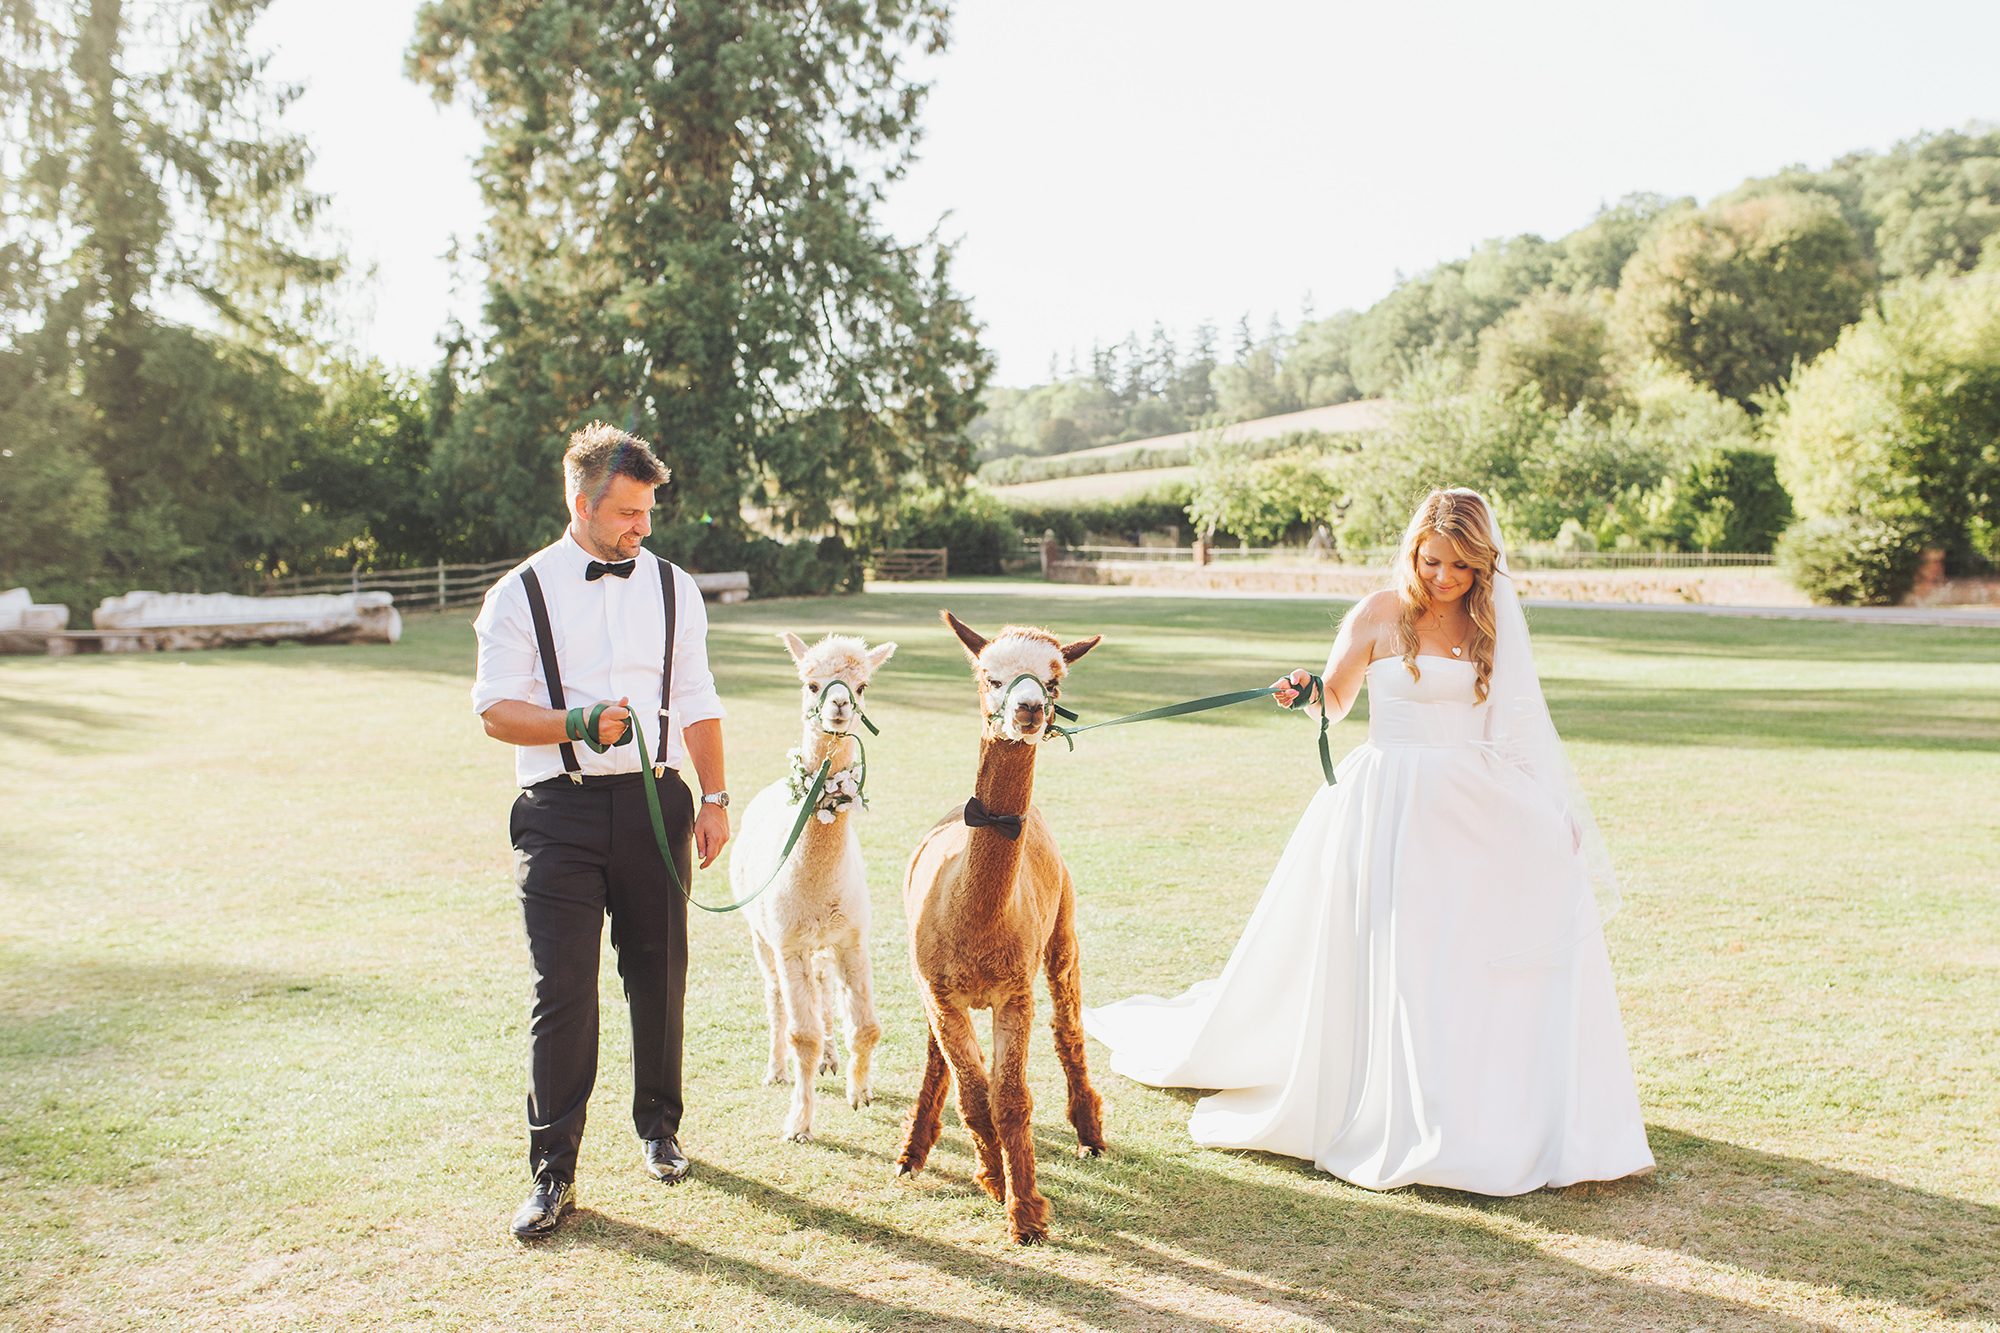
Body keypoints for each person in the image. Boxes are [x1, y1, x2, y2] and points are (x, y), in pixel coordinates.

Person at [1082, 488, 1654, 1195]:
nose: (1442, 575)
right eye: (1431, 558)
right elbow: (1339, 696)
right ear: (1414, 549)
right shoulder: (1381, 613)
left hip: (1476, 811)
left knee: (1463, 956)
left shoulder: (1492, 628)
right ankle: (1396, 1100)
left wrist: (1550, 809)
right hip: (1390, 804)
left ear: (1483, 567)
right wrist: (1306, 691)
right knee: (1402, 955)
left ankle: (1480, 1104)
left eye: (1460, 566)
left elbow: (1518, 729)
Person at [471, 422, 732, 1239]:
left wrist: (717, 795)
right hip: (560, 810)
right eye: (626, 511)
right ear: (579, 503)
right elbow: (495, 711)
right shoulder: (520, 594)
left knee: (659, 972)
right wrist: (576, 719)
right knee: (564, 989)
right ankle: (553, 1171)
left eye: (649, 510)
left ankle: (659, 1129)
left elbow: (696, 694)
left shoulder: (673, 586)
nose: (642, 526)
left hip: (658, 801)